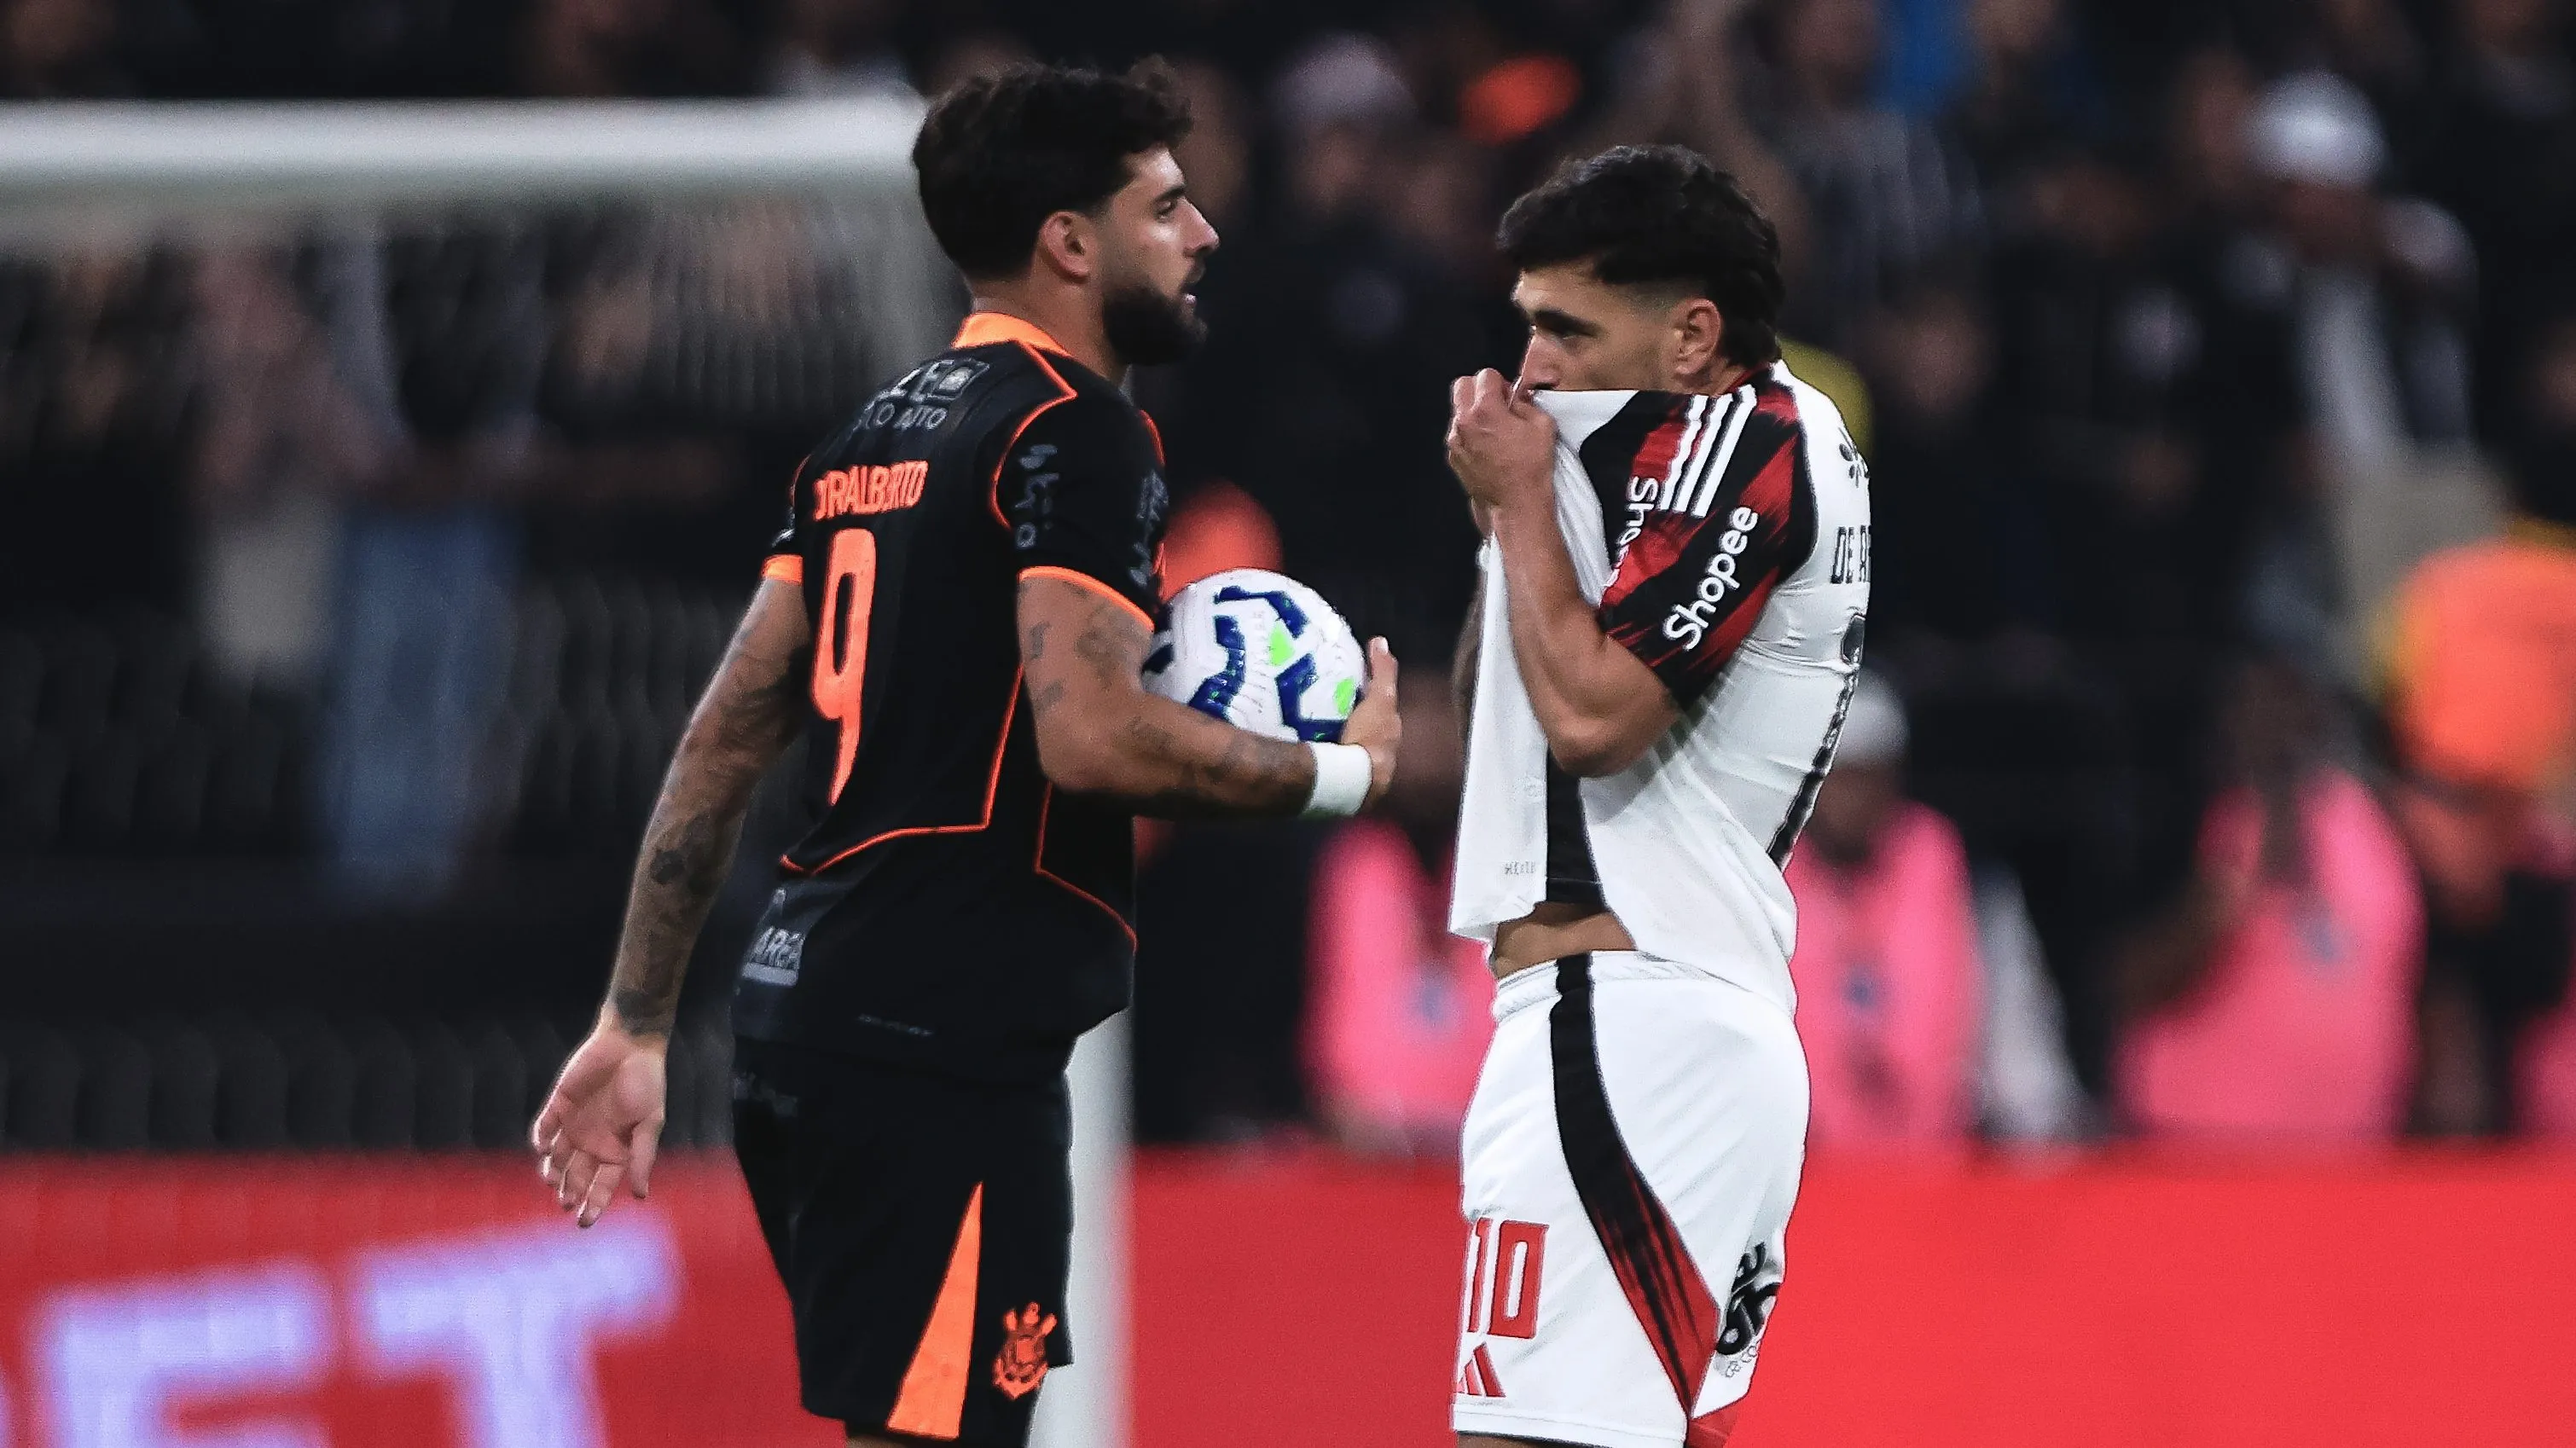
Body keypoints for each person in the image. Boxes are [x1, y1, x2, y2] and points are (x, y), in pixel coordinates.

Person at [526, 61, 1402, 1448]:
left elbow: (720, 740)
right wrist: (1342, 775)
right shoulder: (1078, 430)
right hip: (936, 1040)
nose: (1205, 235)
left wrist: (637, 1018)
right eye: (1166, 207)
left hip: (809, 1018)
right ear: (1072, 241)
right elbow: (1094, 728)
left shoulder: (861, 442)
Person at [1443, 144, 1868, 1448]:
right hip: (1674, 1022)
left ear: (1693, 336)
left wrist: (1520, 498)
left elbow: (1586, 720)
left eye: (1566, 331)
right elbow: (1502, 709)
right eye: (1526, 330)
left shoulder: (1747, 443)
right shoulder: (1716, 452)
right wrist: (1523, 514)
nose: (1532, 373)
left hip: (1626, 1027)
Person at [1784, 671, 1983, 1146]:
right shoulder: (1776, 861)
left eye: (1870, 775)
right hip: (1809, 1161)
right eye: (1840, 775)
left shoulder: (1928, 851)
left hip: (1926, 1157)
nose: (1855, 796)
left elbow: (1941, 1027)